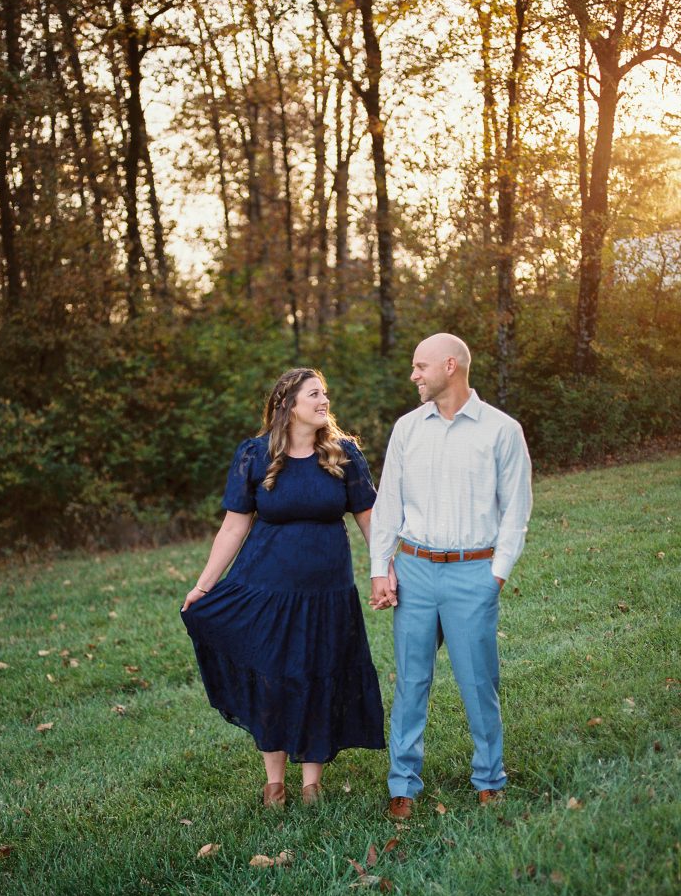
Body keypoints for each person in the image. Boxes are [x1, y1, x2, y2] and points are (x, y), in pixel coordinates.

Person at [182, 367, 385, 808]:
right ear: (288, 404)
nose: (323, 401)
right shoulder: (255, 455)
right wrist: (204, 586)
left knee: (320, 673)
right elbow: (234, 527)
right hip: (265, 589)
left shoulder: (344, 453)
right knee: (273, 678)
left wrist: (383, 570)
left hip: (328, 592)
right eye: (314, 394)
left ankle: (312, 783)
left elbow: (369, 518)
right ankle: (274, 782)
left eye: (324, 394)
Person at [369, 333, 532, 819]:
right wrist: (382, 570)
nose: (414, 375)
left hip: (472, 573)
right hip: (415, 572)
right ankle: (403, 784)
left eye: (420, 367)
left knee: (478, 682)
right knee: (411, 682)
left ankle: (489, 778)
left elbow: (515, 512)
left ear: (450, 367)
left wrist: (495, 577)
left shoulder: (501, 431)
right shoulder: (407, 429)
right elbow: (388, 506)